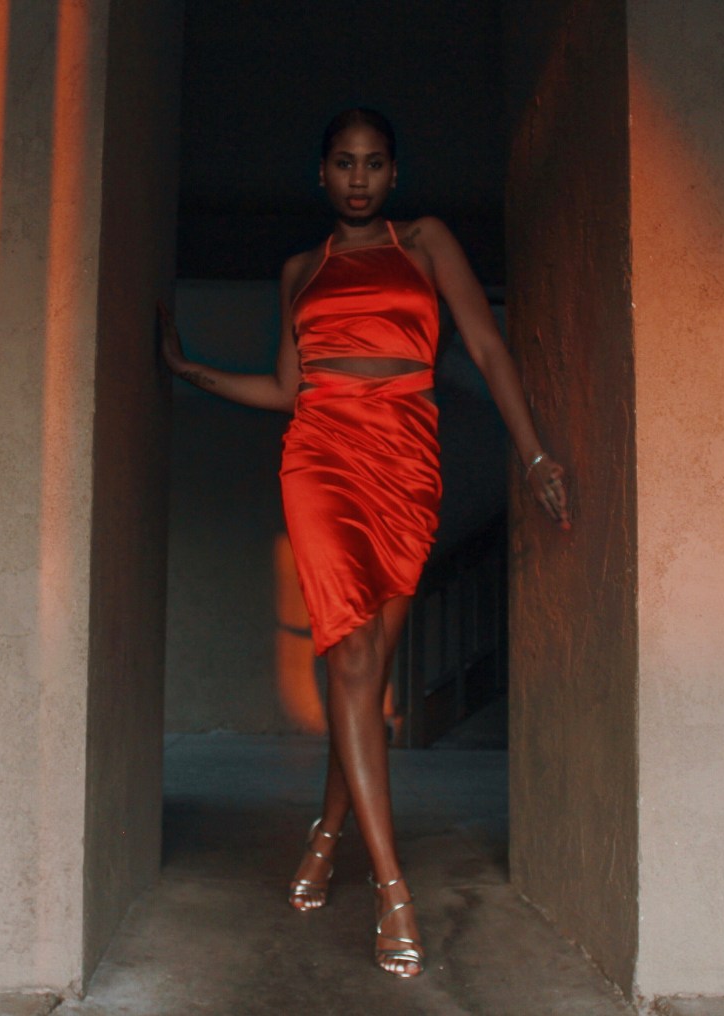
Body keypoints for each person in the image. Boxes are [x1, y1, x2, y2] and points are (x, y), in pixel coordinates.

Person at [160, 107, 569, 979]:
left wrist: (531, 450)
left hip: (407, 458)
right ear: (321, 175)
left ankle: (329, 829)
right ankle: (393, 890)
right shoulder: (299, 270)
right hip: (320, 458)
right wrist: (197, 372)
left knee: (371, 670)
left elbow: (490, 348)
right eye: (343, 164)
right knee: (349, 663)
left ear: (393, 175)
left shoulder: (425, 243)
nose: (357, 178)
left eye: (374, 163)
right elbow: (285, 387)